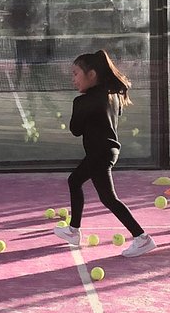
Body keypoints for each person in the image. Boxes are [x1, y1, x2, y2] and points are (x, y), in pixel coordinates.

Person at [52, 50, 155, 258]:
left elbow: (75, 130)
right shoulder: (113, 95)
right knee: (75, 181)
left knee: (108, 198)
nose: (73, 79)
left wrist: (80, 105)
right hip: (107, 151)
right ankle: (73, 231)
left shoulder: (83, 101)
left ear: (91, 74)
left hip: (99, 153)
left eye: (75, 74)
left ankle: (141, 237)